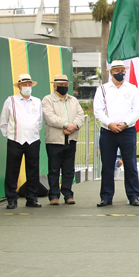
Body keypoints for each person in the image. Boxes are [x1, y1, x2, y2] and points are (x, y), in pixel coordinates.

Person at [93, 60, 139, 207]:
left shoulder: (132, 88)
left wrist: (125, 123)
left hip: (127, 130)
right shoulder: (102, 89)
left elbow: (137, 110)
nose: (120, 73)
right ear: (111, 72)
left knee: (130, 164)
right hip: (108, 131)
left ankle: (133, 196)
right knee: (107, 165)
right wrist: (109, 124)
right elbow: (98, 110)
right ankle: (106, 197)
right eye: (117, 70)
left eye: (122, 70)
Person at [0, 74, 44, 209]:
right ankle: (11, 199)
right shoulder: (10, 100)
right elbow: (4, 121)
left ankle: (32, 198)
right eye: (24, 84)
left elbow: (40, 121)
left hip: (33, 140)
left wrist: (33, 132)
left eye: (29, 84)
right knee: (12, 170)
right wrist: (11, 135)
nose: (27, 87)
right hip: (15, 140)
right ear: (19, 86)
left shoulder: (37, 101)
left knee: (33, 170)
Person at [41, 74, 85, 205]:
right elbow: (50, 117)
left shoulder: (73, 100)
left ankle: (68, 194)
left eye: (66, 85)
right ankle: (53, 195)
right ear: (54, 86)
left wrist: (74, 126)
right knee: (54, 170)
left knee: (68, 169)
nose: (64, 88)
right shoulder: (47, 100)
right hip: (55, 140)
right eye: (61, 86)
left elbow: (80, 115)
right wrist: (66, 124)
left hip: (71, 139)